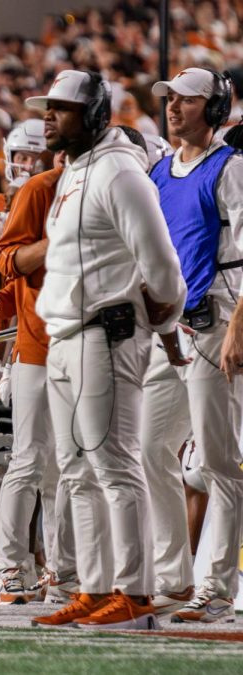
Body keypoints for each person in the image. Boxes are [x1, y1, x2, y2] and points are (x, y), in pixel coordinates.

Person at [27, 70, 186, 630]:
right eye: (46, 108)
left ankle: (137, 594)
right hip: (68, 334)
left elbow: (163, 264)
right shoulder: (74, 169)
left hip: (107, 332)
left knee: (115, 466)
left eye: (61, 109)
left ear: (95, 115)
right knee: (75, 472)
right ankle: (95, 588)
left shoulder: (119, 171)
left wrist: (161, 311)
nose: (48, 117)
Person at [146, 68, 243, 624]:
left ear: (215, 108)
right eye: (170, 99)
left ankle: (218, 590)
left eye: (188, 100)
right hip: (173, 330)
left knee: (218, 462)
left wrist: (238, 329)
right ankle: (175, 577)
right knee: (151, 448)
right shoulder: (159, 170)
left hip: (217, 322)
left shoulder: (230, 169)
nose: (174, 107)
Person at [0, 129, 77, 605]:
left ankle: (62, 572)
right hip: (39, 345)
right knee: (29, 458)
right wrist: (53, 242)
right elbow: (4, 262)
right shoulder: (41, 188)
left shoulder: (112, 187)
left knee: (71, 467)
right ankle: (10, 568)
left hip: (90, 347)